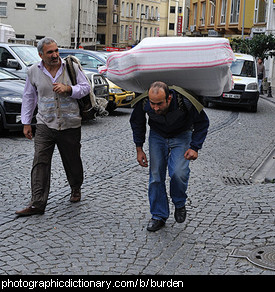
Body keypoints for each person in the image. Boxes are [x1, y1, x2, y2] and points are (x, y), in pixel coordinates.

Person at [15, 37, 91, 217]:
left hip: (70, 124)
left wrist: (69, 89)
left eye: (56, 50)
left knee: (72, 160)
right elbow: (29, 97)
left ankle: (75, 187)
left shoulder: (70, 67)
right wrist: (26, 123)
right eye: (50, 52)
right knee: (40, 161)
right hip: (45, 124)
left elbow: (86, 87)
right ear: (41, 54)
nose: (55, 55)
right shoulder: (33, 71)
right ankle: (37, 203)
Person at [130, 81, 209, 231]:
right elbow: (137, 122)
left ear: (169, 98)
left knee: (179, 173)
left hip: (182, 135)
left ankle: (179, 203)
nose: (155, 108)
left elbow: (203, 123)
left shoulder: (184, 101)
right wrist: (139, 149)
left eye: (159, 104)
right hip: (157, 135)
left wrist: (195, 147)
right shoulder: (144, 102)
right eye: (153, 104)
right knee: (155, 177)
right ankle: (158, 216)